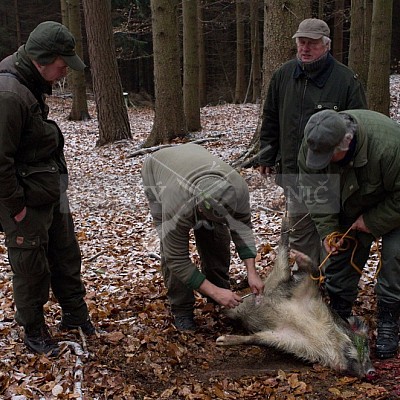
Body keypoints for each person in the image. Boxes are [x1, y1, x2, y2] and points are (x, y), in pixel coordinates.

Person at [0, 21, 95, 357]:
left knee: (66, 253)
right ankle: (34, 329)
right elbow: (0, 161)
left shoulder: (30, 81)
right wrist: (16, 207)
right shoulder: (9, 94)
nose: (65, 70)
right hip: (24, 199)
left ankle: (75, 314)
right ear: (42, 59)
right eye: (61, 64)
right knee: (31, 268)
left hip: (48, 190)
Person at [258, 18, 367, 267]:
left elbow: (359, 126)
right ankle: (303, 283)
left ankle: (330, 280)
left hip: (330, 172)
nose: (305, 48)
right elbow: (271, 117)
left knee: (328, 231)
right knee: (299, 228)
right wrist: (266, 153)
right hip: (293, 170)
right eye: (301, 42)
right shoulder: (283, 75)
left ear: (326, 45)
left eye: (312, 44)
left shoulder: (346, 80)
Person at [297, 109, 400, 359]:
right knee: (340, 257)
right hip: (348, 202)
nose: (321, 160)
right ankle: (339, 313)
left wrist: (372, 220)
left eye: (328, 156)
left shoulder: (390, 147)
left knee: (396, 257)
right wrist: (328, 231)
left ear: (346, 141)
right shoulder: (315, 142)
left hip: (393, 203)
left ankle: (388, 318)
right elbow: (316, 193)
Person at [141, 143, 265, 331]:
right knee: (170, 251)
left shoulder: (238, 188)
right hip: (158, 173)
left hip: (193, 161)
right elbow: (177, 259)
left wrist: (252, 273)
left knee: (216, 234)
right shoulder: (176, 204)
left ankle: (219, 294)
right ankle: (182, 309)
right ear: (199, 207)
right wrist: (215, 293)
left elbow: (243, 228)